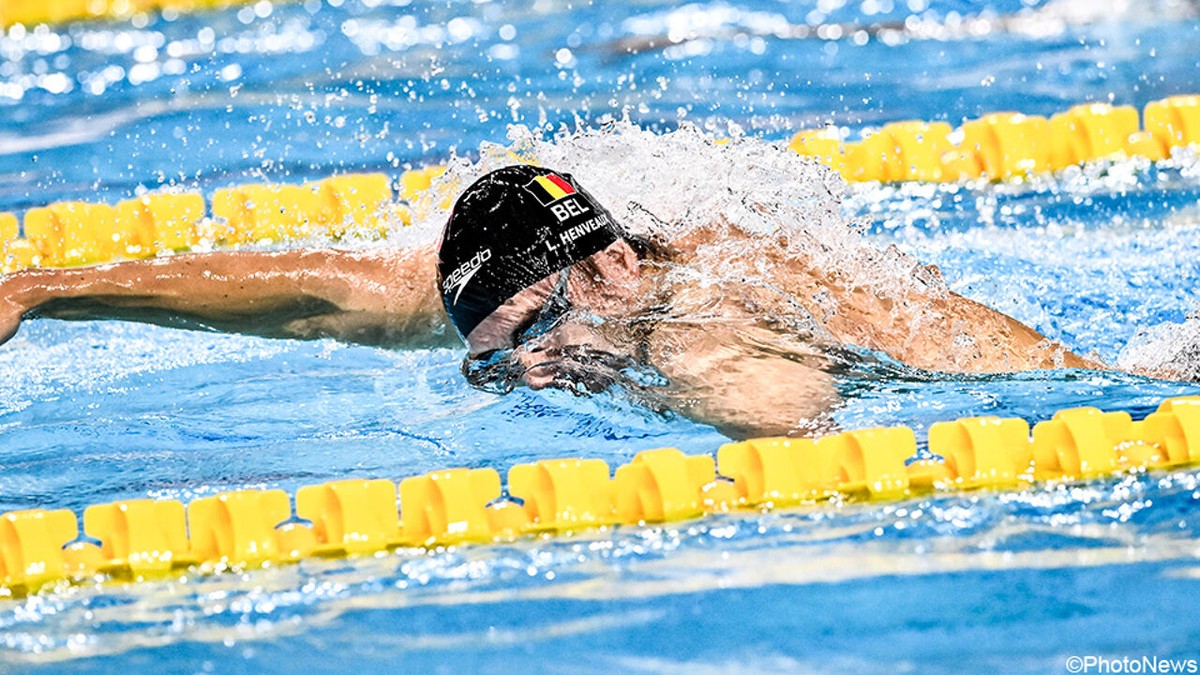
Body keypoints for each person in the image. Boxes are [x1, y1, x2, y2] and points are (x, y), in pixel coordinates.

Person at [0, 164, 1098, 438]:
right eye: (494, 350)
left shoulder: (706, 321)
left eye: (532, 334)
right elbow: (303, 294)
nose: (525, 365)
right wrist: (44, 289)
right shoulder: (529, 285)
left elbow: (793, 428)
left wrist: (649, 398)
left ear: (610, 269)